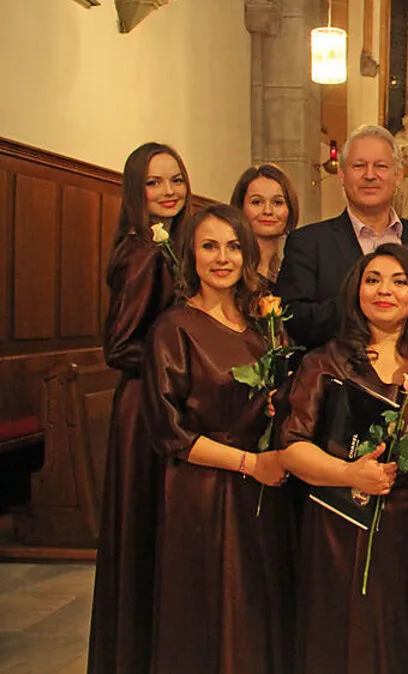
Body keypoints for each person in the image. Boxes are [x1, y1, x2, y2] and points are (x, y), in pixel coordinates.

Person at [141, 204, 294, 673]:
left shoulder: (262, 329)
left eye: (232, 246)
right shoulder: (172, 328)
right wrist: (250, 464)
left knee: (257, 607)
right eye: (210, 246)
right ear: (191, 254)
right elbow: (171, 434)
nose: (222, 257)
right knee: (208, 611)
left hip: (264, 493)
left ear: (247, 255)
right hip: (203, 493)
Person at [278, 243, 408, 674]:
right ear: (355, 290)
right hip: (340, 527)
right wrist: (349, 473)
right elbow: (292, 447)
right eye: (373, 280)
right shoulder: (325, 360)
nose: (384, 290)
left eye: (399, 281)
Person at [88, 141, 191, 674]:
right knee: (147, 535)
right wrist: (183, 365)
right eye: (155, 183)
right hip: (147, 409)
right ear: (136, 190)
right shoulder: (143, 253)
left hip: (159, 401)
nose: (169, 191)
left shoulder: (170, 245)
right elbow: (120, 347)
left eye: (175, 180)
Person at [277, 124, 408, 348]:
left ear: (399, 175)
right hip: (332, 372)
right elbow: (294, 318)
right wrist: (366, 303)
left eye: (381, 166)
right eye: (359, 166)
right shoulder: (307, 242)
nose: (370, 175)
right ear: (342, 175)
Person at [230, 164, 300, 289]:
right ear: (240, 207)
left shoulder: (295, 271)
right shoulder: (230, 269)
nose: (268, 211)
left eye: (277, 202)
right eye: (257, 202)